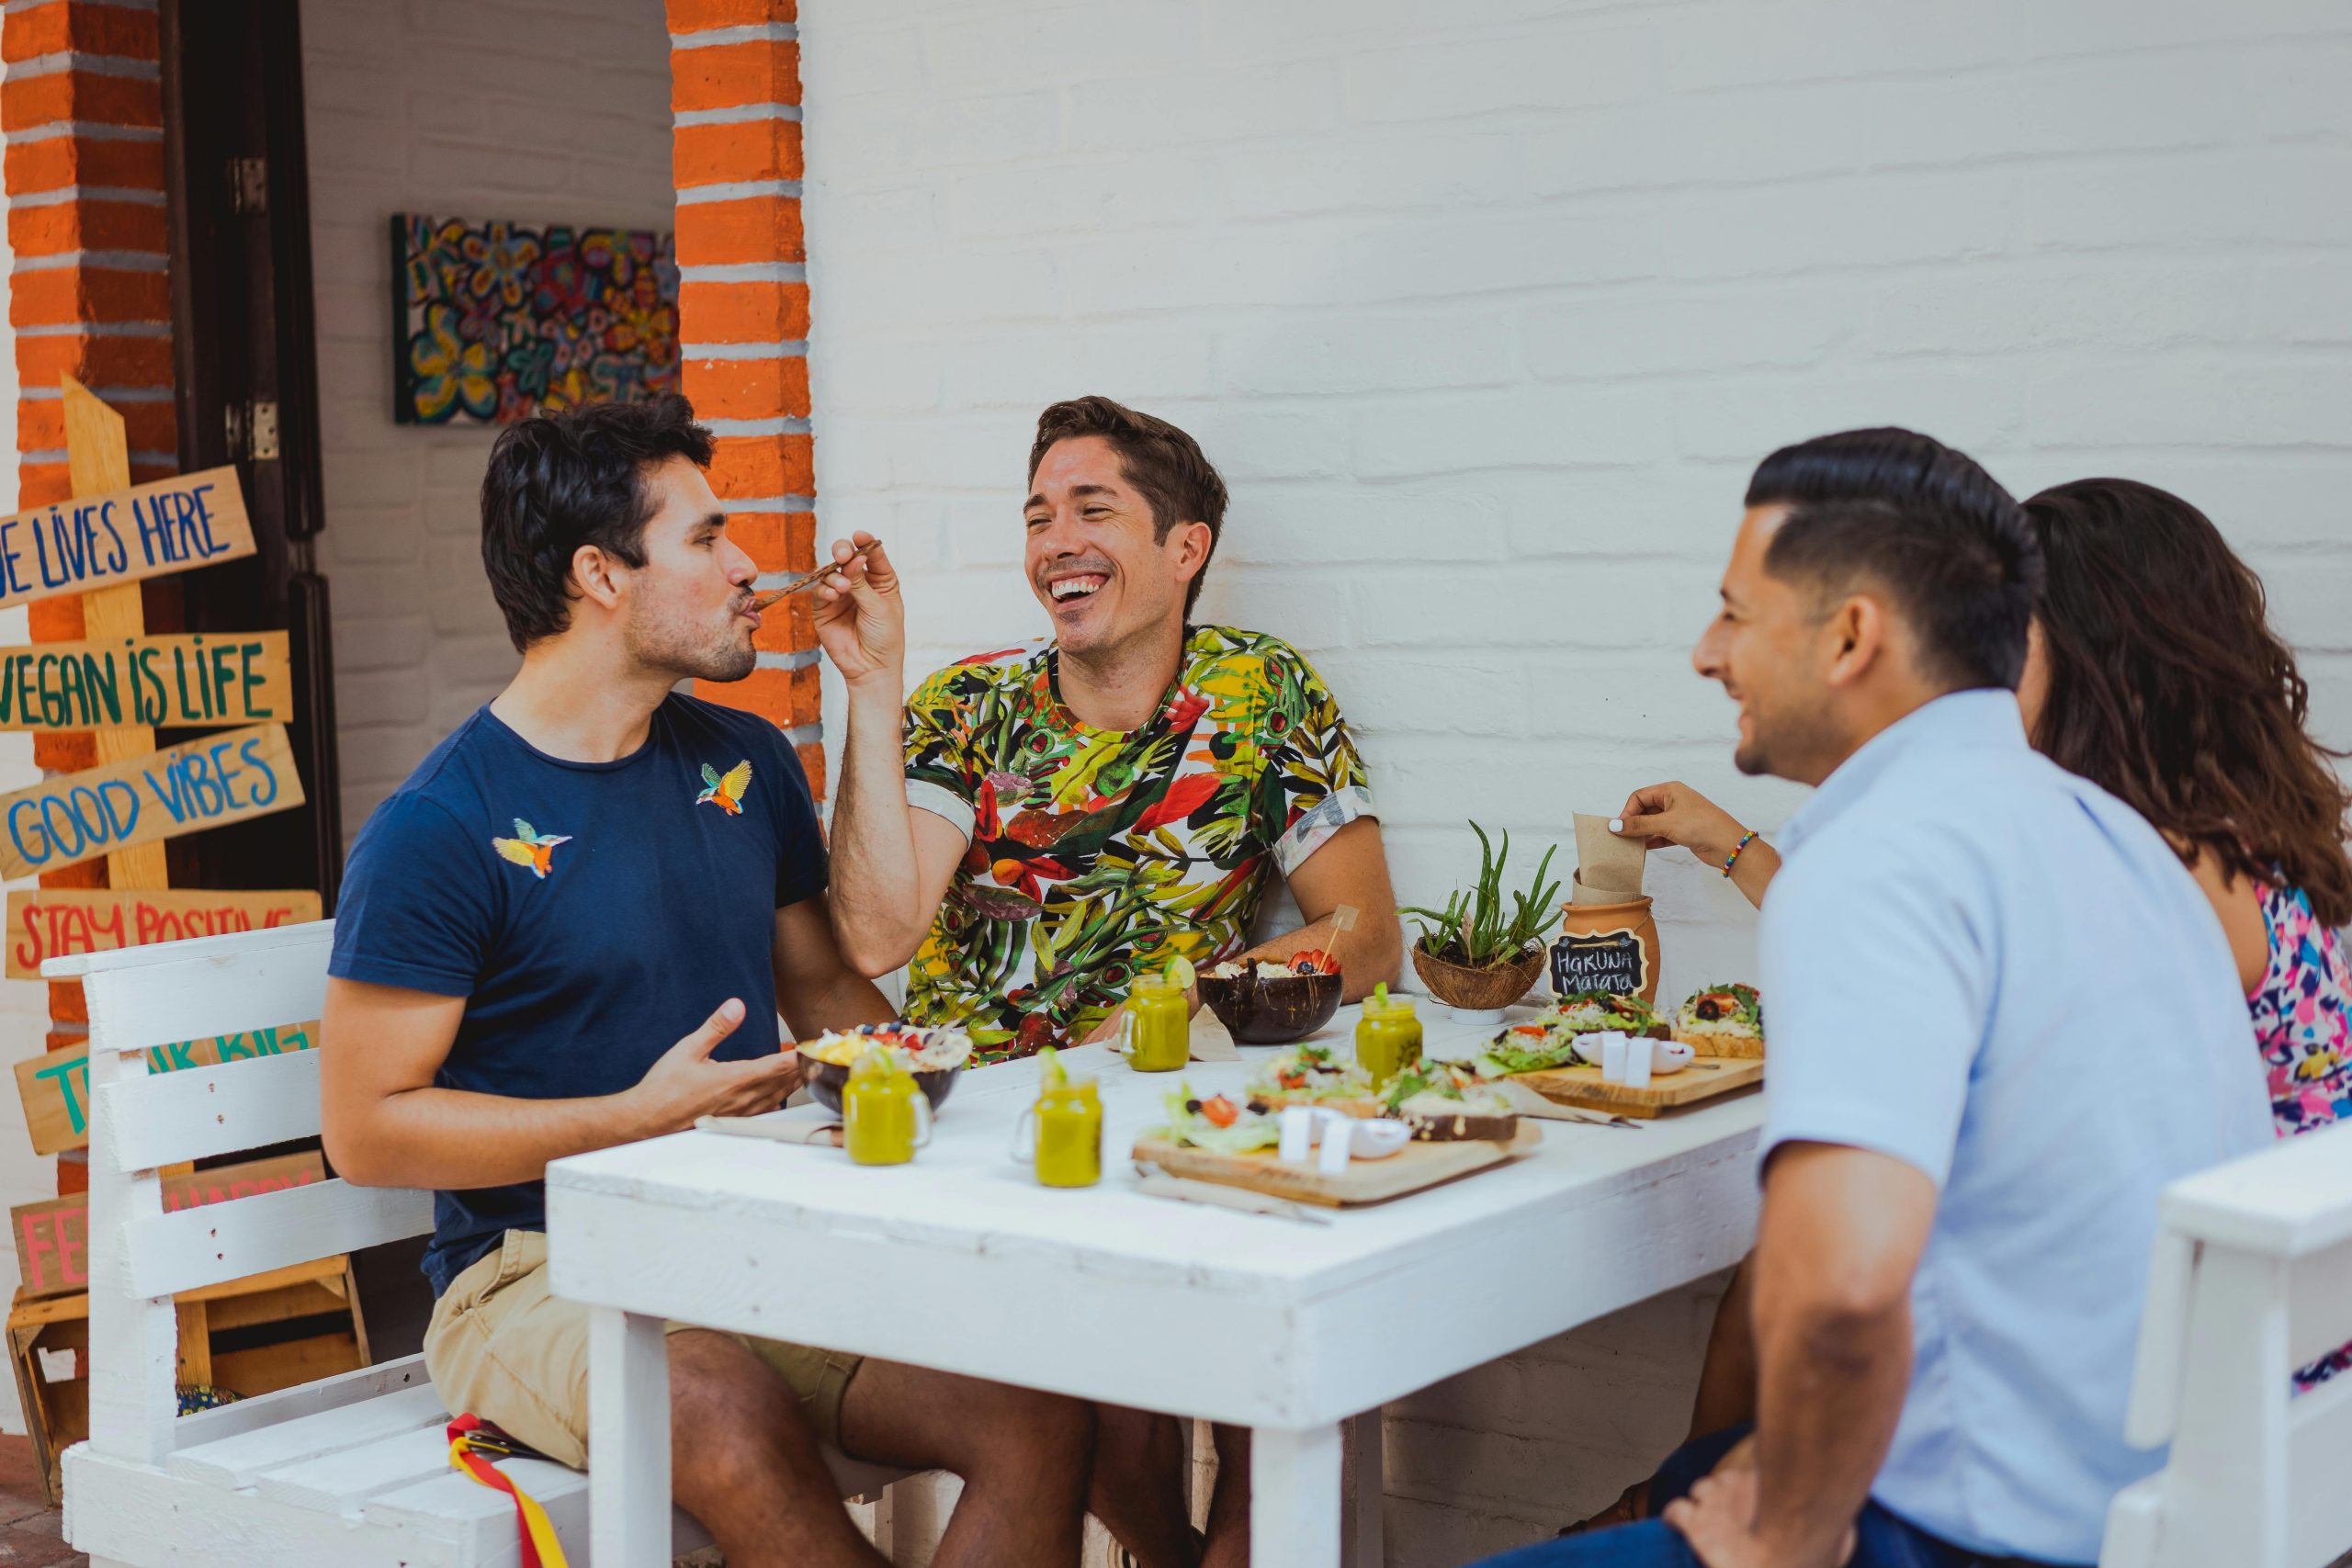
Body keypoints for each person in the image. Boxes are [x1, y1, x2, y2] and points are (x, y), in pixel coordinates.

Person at [320, 394, 1095, 1568]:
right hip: (532, 1270)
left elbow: (843, 982)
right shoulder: (440, 826)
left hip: (738, 1240)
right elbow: (366, 1133)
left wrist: (874, 690)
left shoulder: (740, 762)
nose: (747, 566)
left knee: (1034, 1406)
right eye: (706, 537)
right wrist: (633, 1120)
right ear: (600, 574)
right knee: (718, 1404)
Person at [1476, 430, 2272, 1568]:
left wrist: (1790, 1532)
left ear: (1851, 635)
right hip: (2156, 1511)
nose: (1707, 653)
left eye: (1736, 614)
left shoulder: (1877, 859)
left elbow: (1842, 1291)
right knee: (1707, 1469)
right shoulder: (2109, 834)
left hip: (1985, 1536)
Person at [1620, 476, 2352, 1442]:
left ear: (2087, 653)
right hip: (2290, 1338)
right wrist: (1734, 845)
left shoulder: (2144, 862)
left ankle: (1693, 1502)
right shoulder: (2237, 838)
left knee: (1794, 1261)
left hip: (2182, 1385)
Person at [813, 395, 1406, 1568]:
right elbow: (876, 937)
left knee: (1276, 1331)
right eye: (1038, 516)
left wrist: (1200, 995)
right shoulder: (968, 715)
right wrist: (871, 695)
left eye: (1094, 509)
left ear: (1184, 550)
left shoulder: (1260, 697)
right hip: (992, 1142)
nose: (1054, 542)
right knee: (1112, 1384)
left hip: (1172, 1116)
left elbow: (1365, 931)